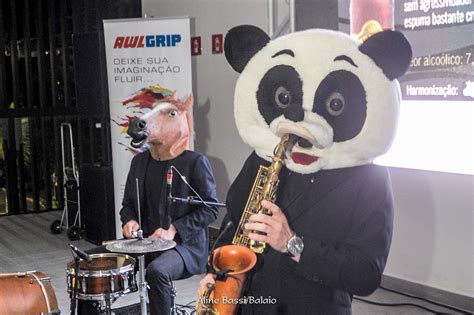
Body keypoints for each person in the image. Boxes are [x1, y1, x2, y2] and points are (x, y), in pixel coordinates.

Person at [121, 145, 219, 315]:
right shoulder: (138, 161)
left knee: (157, 271)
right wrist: (129, 220)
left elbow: (210, 209)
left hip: (184, 245)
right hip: (144, 242)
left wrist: (174, 228)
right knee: (90, 262)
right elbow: (128, 205)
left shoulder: (195, 161)